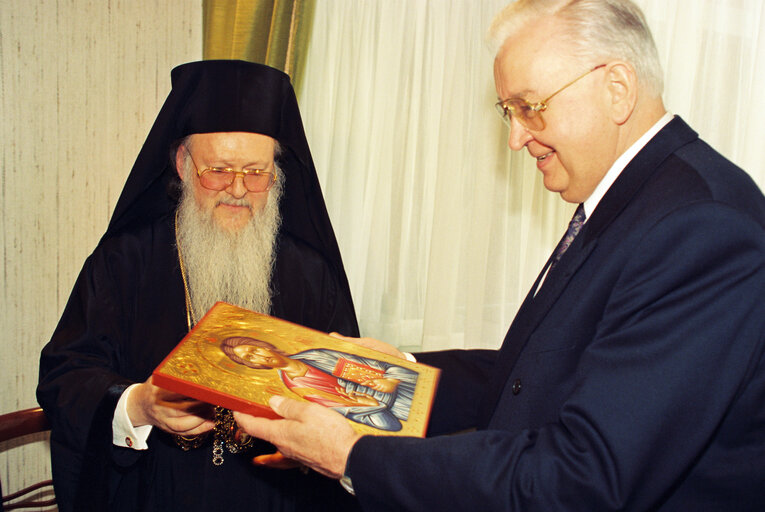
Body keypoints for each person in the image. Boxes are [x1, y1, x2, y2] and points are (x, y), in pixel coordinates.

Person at [231, 1, 765, 510]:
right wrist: (398, 377)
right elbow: (550, 373)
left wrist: (351, 457)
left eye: (530, 108)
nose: (515, 139)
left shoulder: (700, 226)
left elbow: (584, 479)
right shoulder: (643, 198)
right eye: (507, 111)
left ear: (617, 89)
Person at [37, 60, 361, 512]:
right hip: (155, 496)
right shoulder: (124, 261)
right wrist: (142, 405)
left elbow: (342, 388)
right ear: (183, 165)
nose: (238, 189)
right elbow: (64, 378)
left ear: (277, 175)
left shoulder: (310, 272)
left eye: (255, 172)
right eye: (219, 170)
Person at [220, 337, 417, 431]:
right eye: (250, 358)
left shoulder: (317, 354)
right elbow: (379, 425)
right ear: (252, 366)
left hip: (408, 392)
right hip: (396, 415)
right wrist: (369, 407)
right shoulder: (295, 391)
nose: (257, 356)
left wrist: (390, 379)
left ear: (265, 346)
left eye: (255, 350)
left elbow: (379, 365)